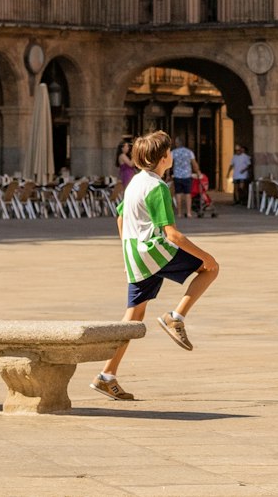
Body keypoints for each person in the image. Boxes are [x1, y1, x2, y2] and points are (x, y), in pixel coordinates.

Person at [91, 130, 219, 402]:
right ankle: (176, 317)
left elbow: (120, 218)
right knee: (211, 268)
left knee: (132, 319)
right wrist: (205, 255)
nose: (171, 155)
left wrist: (127, 248)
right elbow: (171, 234)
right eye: (169, 152)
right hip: (155, 252)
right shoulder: (158, 187)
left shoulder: (136, 182)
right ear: (163, 158)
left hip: (135, 254)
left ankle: (106, 375)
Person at [170, 137, 201, 219]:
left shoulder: (173, 152)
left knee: (178, 194)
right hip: (187, 175)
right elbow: (194, 164)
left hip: (177, 176)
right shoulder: (189, 152)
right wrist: (198, 172)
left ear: (177, 144)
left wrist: (167, 175)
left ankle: (179, 213)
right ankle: (189, 212)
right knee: (188, 194)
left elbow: (169, 164)